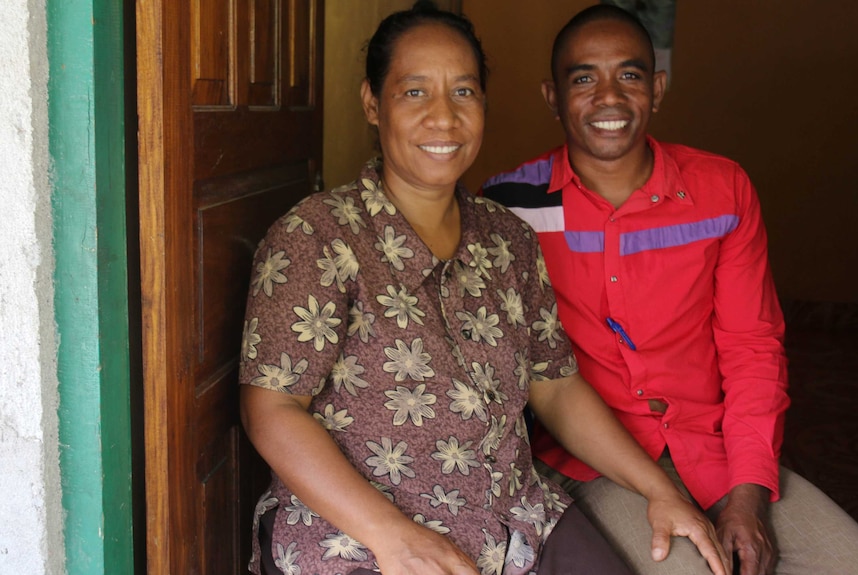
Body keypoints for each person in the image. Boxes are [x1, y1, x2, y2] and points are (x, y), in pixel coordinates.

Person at [238, 3, 730, 575]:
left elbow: (556, 388)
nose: (444, 118)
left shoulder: (508, 239)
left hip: (515, 519)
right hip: (354, 537)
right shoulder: (316, 235)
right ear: (373, 102)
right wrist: (393, 537)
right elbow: (271, 407)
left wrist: (658, 490)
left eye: (464, 92)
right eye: (415, 92)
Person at [481, 5, 858, 575]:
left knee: (846, 559)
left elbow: (752, 346)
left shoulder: (721, 192)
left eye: (629, 76)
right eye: (583, 78)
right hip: (594, 462)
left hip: (715, 451)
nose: (608, 98)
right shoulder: (511, 205)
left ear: (656, 89)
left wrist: (749, 493)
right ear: (552, 97)